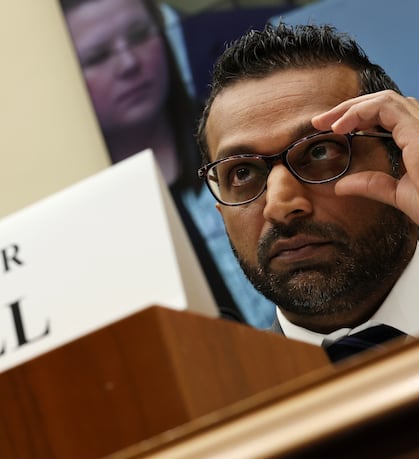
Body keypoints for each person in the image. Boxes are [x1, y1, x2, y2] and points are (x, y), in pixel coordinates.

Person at [196, 22, 419, 358]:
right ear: (222, 213)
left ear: (401, 158)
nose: (279, 205)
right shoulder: (227, 403)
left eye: (320, 151)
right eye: (242, 172)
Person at [60, 0, 276, 328]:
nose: (130, 63)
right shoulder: (80, 218)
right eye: (98, 57)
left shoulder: (242, 139)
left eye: (139, 35)